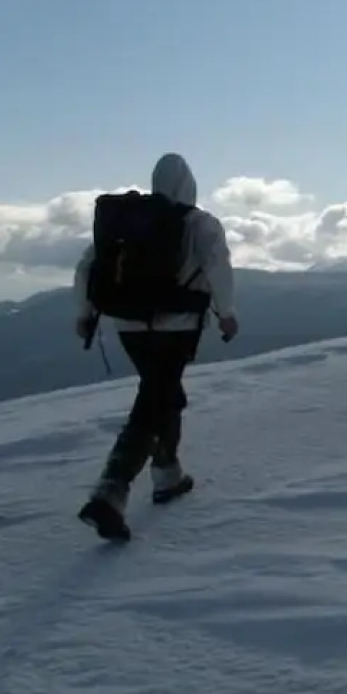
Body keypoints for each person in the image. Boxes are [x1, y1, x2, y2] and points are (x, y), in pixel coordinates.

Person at [72, 152, 239, 541]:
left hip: (128, 325)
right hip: (177, 325)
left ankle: (167, 473)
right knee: (156, 398)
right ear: (189, 184)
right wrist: (227, 312)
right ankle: (111, 489)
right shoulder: (199, 222)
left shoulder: (128, 221)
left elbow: (87, 267)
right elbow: (218, 266)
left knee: (162, 392)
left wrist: (84, 314)